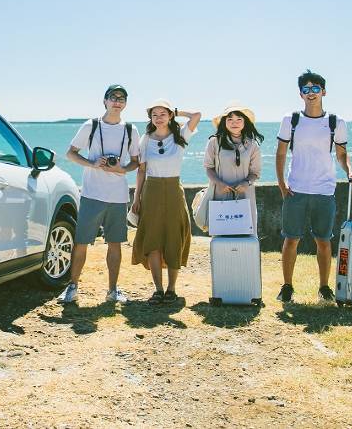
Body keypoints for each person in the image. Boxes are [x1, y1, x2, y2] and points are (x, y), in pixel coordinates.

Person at [275, 69, 352, 303]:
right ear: (300, 94)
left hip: (324, 190)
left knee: (324, 241)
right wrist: (282, 184)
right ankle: (287, 286)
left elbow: (342, 155)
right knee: (291, 239)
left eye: (316, 88)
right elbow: (281, 153)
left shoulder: (335, 122)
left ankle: (324, 287)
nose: (311, 93)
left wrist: (350, 171)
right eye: (306, 89)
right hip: (296, 189)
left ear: (323, 91)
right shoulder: (291, 120)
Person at [60, 85, 141, 304]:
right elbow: (70, 153)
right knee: (81, 242)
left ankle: (113, 290)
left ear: (125, 103)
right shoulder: (92, 125)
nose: (117, 101)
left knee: (115, 243)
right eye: (113, 97)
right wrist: (94, 164)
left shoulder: (131, 130)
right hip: (92, 193)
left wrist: (121, 169)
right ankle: (72, 287)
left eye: (122, 98)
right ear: (105, 101)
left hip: (118, 196)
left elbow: (136, 161)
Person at [130, 100, 201, 303]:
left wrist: (176, 110)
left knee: (173, 237)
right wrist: (137, 197)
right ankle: (158, 290)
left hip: (173, 190)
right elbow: (141, 171)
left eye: (163, 113)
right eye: (154, 114)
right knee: (153, 239)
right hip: (151, 190)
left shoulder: (180, 136)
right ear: (150, 119)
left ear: (170, 116)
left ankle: (171, 290)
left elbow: (197, 115)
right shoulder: (145, 140)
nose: (158, 117)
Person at [204, 103, 263, 231]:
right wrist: (220, 183)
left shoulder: (252, 145)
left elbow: (255, 173)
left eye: (238, 119)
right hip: (220, 192)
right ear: (224, 122)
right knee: (221, 231)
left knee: (246, 231)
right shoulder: (214, 142)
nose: (234, 122)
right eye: (230, 119)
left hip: (245, 194)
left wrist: (246, 183)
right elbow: (209, 168)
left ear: (245, 122)